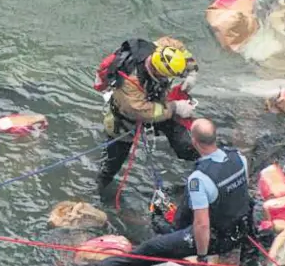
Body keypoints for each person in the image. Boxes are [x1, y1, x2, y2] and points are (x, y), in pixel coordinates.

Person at [90, 119, 252, 266]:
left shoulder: (199, 179)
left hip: (217, 239)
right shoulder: (238, 158)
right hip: (240, 229)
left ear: (194, 141)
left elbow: (202, 225)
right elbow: (241, 194)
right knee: (168, 225)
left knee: (150, 248)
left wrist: (202, 256)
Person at [95, 36, 200, 194]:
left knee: (185, 144)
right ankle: (101, 189)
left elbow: (179, 48)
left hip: (159, 102)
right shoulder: (130, 82)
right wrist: (175, 107)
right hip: (126, 120)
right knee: (112, 164)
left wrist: (192, 71)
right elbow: (141, 110)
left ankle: (206, 165)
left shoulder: (161, 49)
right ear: (156, 70)